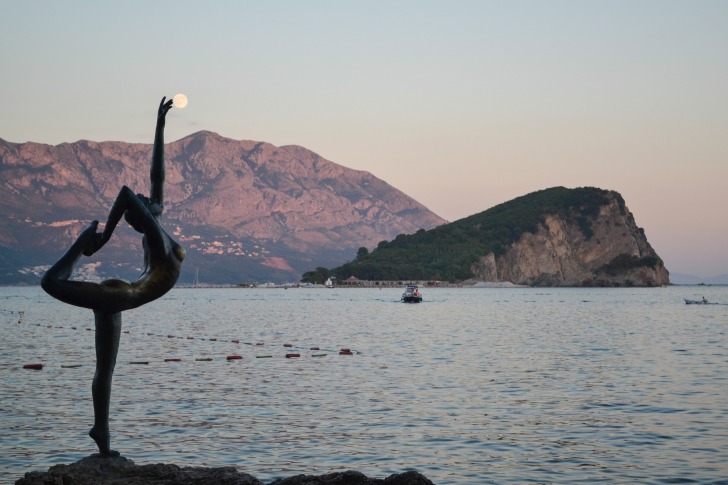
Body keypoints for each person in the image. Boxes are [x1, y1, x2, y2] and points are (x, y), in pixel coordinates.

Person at [41, 97, 185, 457]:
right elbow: (125, 194)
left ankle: (101, 434)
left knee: (105, 369)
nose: (147, 197)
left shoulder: (159, 236)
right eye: (144, 202)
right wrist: (100, 238)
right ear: (142, 218)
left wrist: (160, 125)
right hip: (123, 295)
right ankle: (79, 245)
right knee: (50, 283)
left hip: (122, 295)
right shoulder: (157, 241)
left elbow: (158, 177)